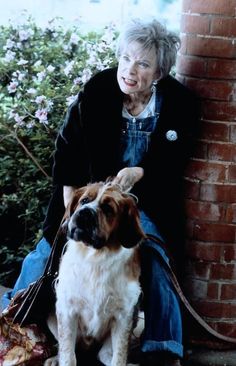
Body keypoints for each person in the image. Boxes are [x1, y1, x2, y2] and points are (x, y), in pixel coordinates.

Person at [2, 18, 199, 366]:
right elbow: (67, 152)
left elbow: (175, 159)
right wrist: (71, 211)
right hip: (87, 197)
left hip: (143, 204)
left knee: (157, 262)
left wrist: (141, 172)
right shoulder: (97, 91)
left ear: (160, 73)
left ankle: (164, 349)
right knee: (44, 255)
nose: (130, 70)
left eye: (142, 64)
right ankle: (13, 328)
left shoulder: (180, 104)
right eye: (125, 59)